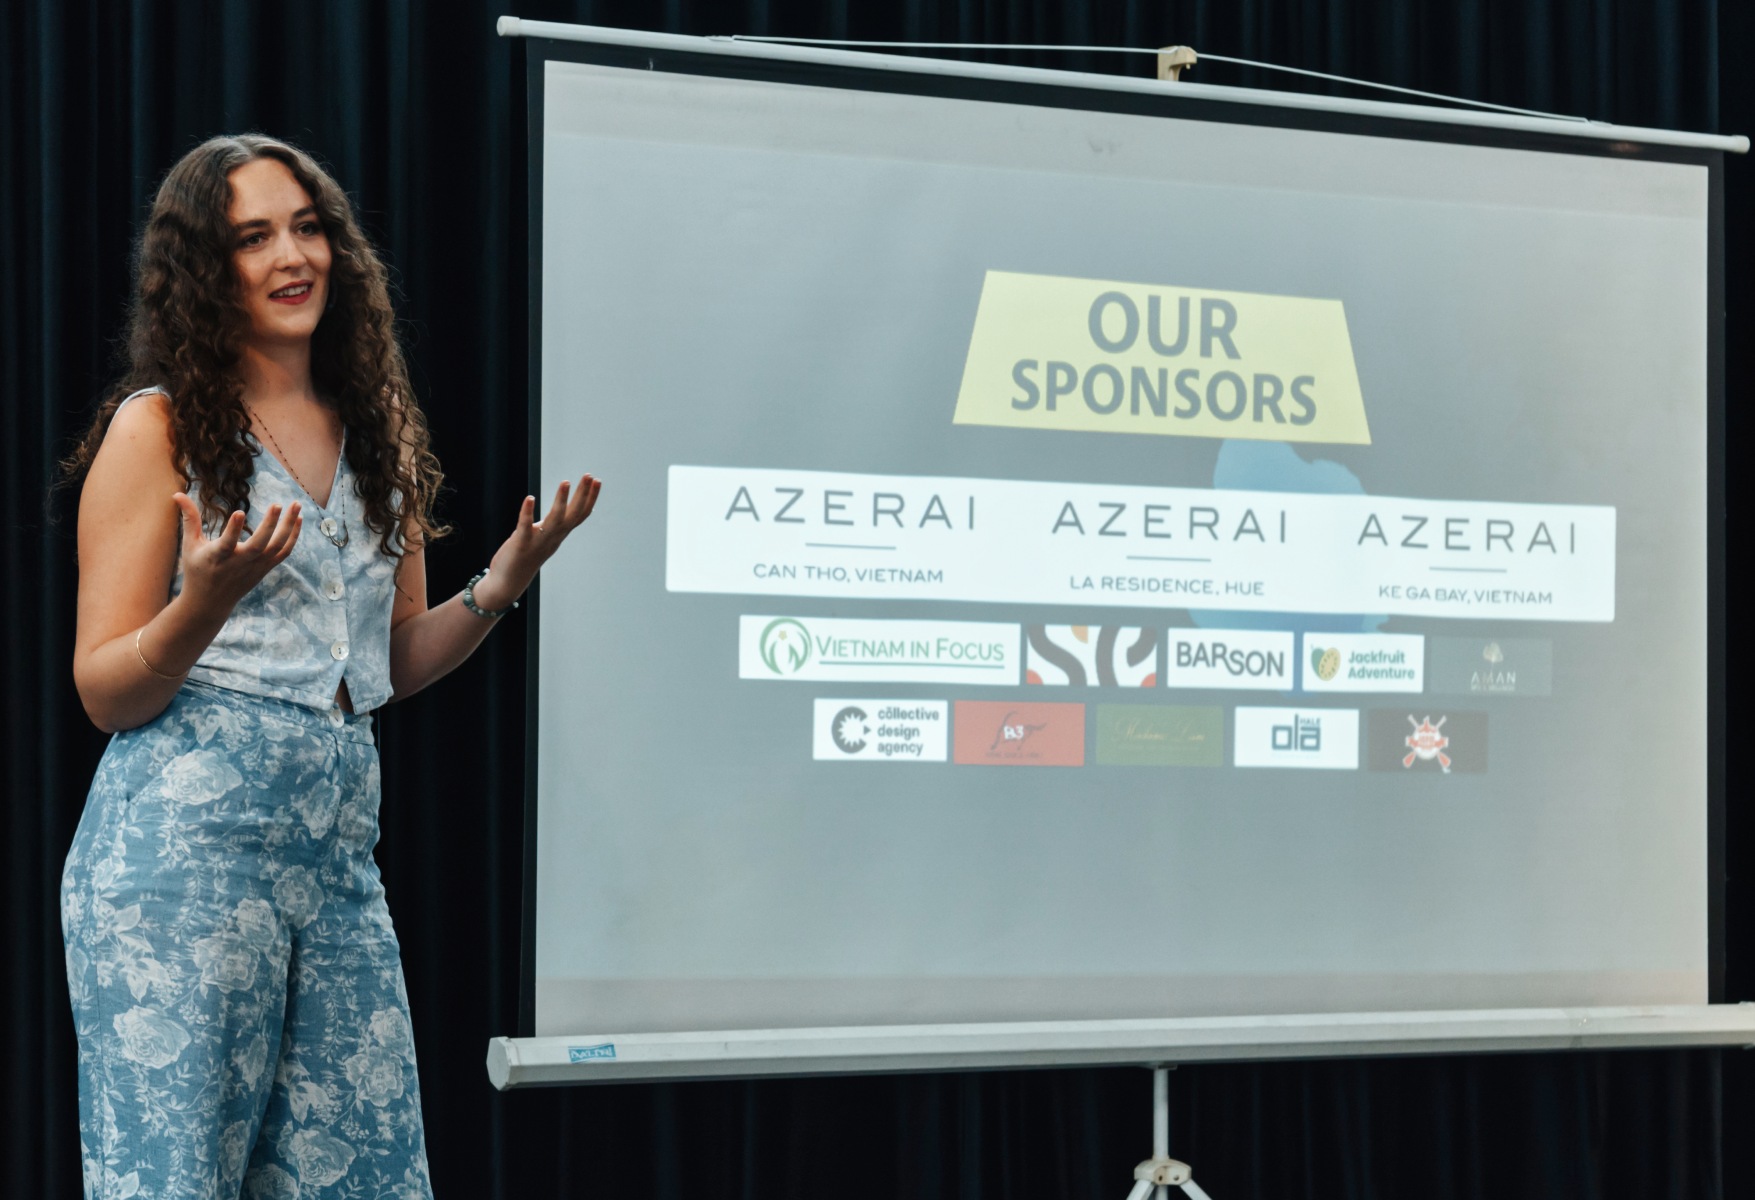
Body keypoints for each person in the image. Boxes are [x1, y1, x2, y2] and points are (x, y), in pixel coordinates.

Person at [57, 133, 599, 1200]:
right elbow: (104, 689)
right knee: (174, 1182)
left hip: (337, 870)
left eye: (307, 228)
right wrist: (200, 606)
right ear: (203, 269)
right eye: (253, 237)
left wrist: (497, 587)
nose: (292, 255)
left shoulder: (377, 428)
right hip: (181, 867)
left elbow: (386, 663)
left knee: (370, 1177)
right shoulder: (157, 428)